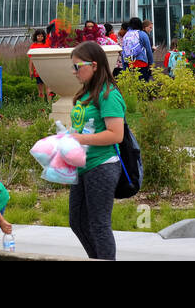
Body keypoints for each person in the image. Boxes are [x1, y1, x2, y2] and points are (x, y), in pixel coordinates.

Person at [64, 40, 126, 260]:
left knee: (99, 224)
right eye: (73, 66)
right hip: (82, 166)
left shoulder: (108, 94)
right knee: (77, 222)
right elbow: (81, 126)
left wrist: (79, 138)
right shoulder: (86, 93)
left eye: (78, 66)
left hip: (102, 166)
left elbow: (116, 134)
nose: (74, 71)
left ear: (95, 65)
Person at [121, 16, 154, 81]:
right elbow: (148, 50)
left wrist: (124, 65)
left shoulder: (126, 35)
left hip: (129, 64)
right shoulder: (142, 34)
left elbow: (123, 51)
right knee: (142, 85)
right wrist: (151, 64)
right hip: (141, 62)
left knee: (132, 85)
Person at [28, 29, 49, 100]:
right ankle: (42, 107)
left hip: (47, 70)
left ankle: (50, 105)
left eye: (41, 36)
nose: (40, 37)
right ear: (35, 36)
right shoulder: (33, 46)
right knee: (40, 91)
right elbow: (31, 60)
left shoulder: (46, 45)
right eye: (38, 36)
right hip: (37, 71)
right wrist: (30, 70)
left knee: (48, 89)